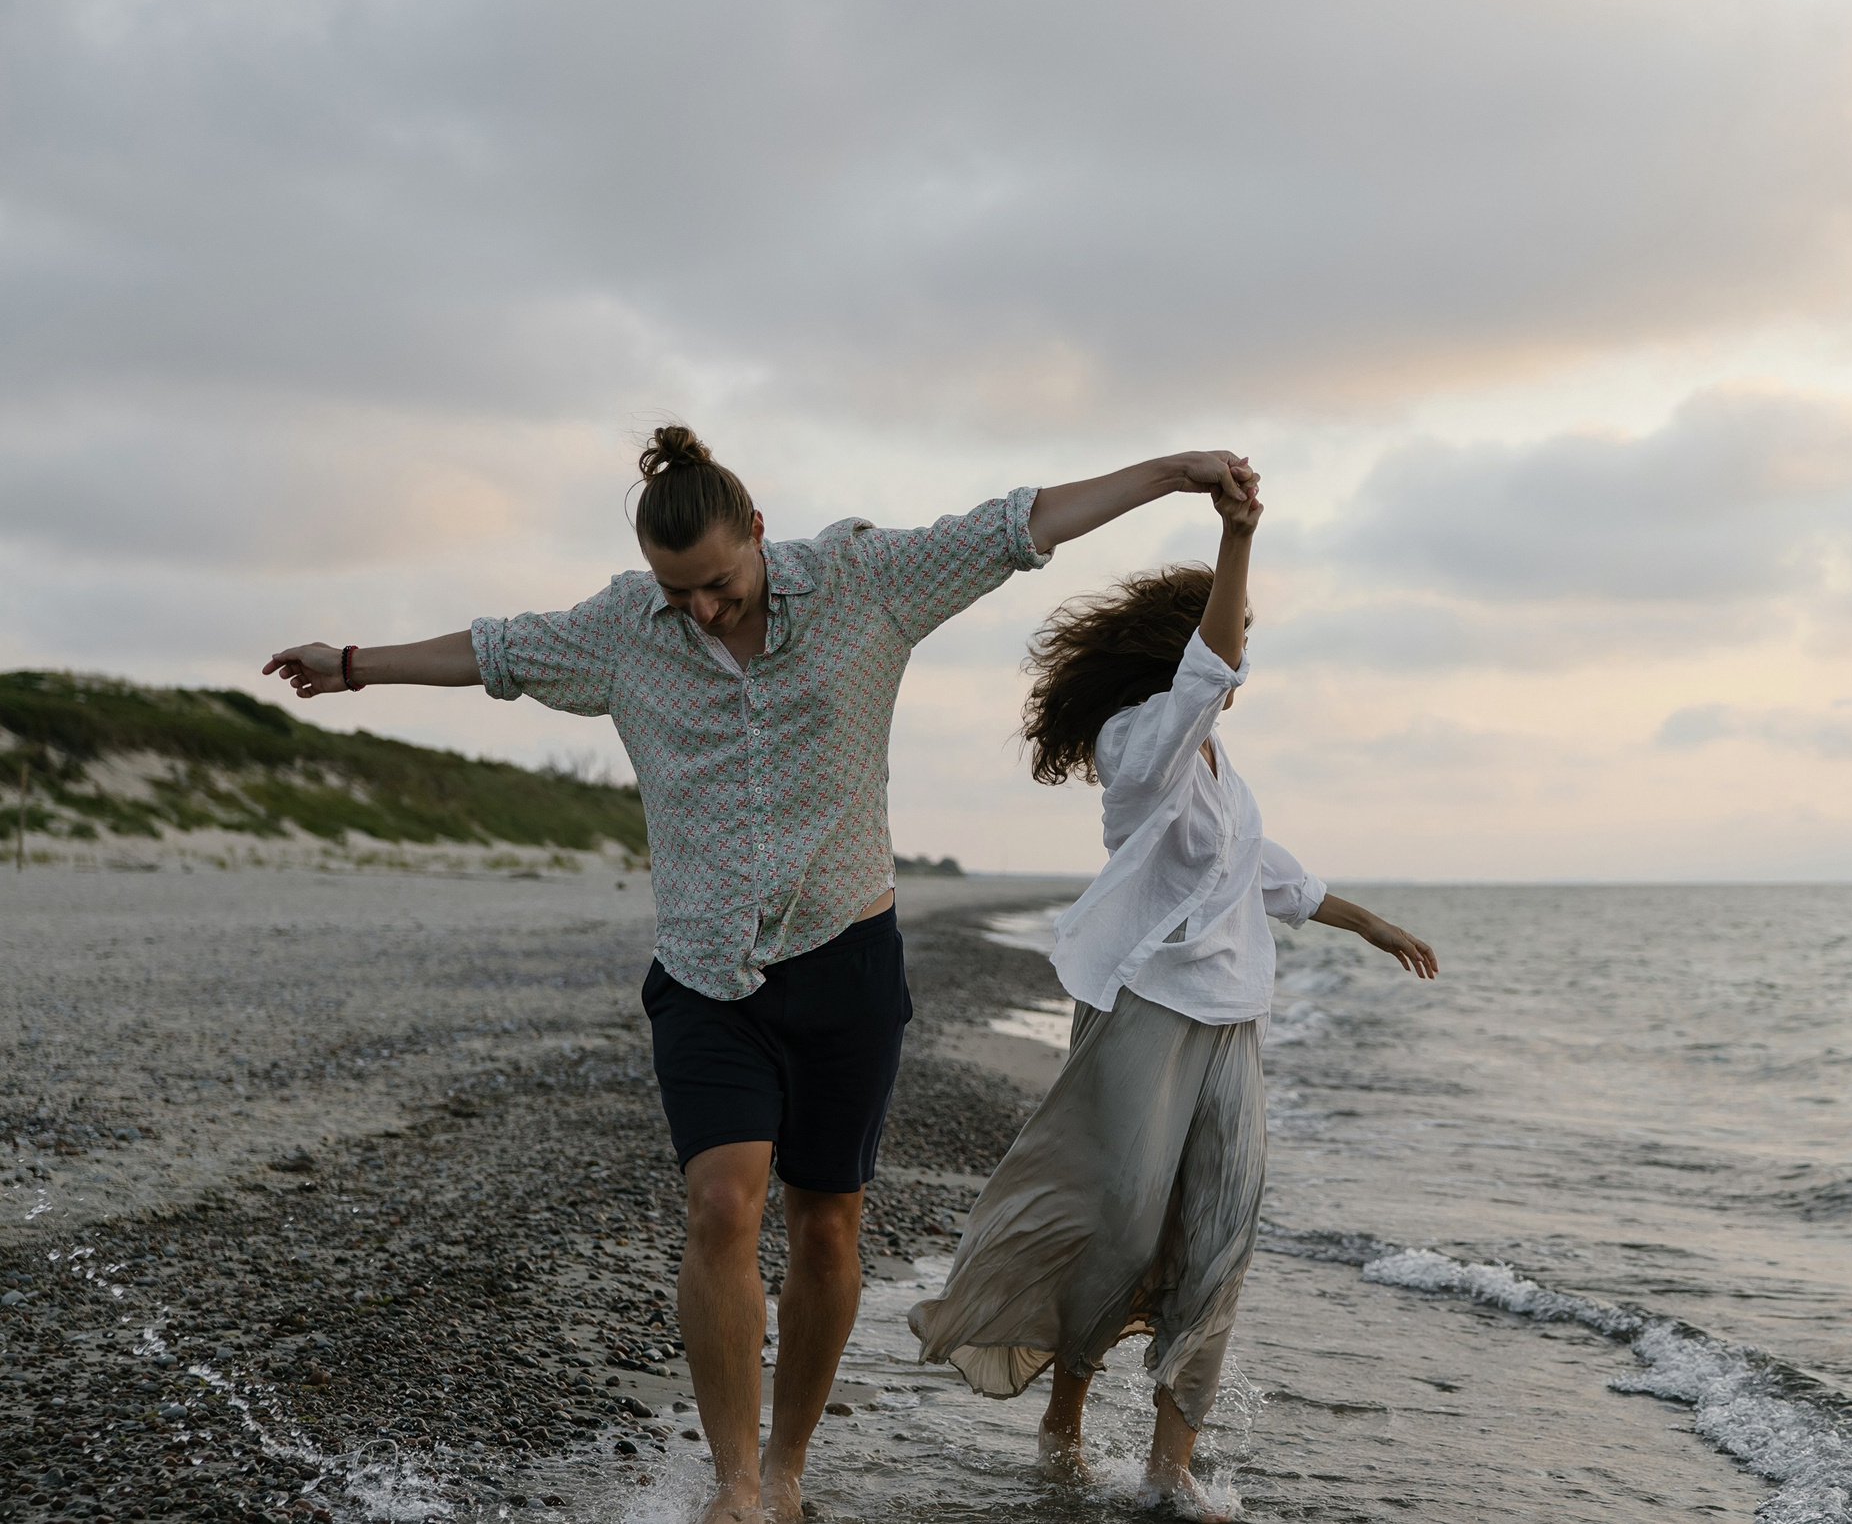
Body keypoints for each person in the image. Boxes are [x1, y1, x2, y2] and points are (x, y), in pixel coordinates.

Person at [260, 426, 1259, 1524]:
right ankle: (736, 1488)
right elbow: (495, 650)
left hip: (845, 965)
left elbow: (1014, 525)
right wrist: (354, 666)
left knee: (829, 1223)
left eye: (717, 583)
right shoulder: (620, 632)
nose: (699, 607)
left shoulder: (861, 584)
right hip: (702, 975)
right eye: (675, 589)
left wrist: (1173, 475)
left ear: (760, 537)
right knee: (722, 1204)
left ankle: (787, 1469)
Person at [907, 472, 1439, 1518]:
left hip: (1231, 1021)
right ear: (1184, 646)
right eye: (1229, 641)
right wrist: (1237, 537)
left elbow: (1262, 868)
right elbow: (1212, 662)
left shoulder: (1214, 758)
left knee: (1219, 1230)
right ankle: (1065, 1407)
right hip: (1143, 1012)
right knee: (1118, 1223)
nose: (1244, 664)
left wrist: (1366, 920)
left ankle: (1169, 1460)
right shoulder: (1138, 743)